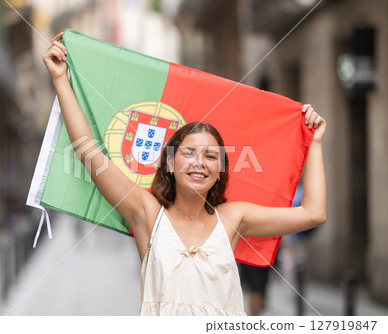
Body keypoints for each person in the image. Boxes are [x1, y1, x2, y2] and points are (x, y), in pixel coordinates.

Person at [42, 32, 327, 316]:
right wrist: (60, 80)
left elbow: (313, 213)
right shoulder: (147, 215)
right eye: (189, 153)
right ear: (170, 162)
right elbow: (89, 153)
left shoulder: (234, 218)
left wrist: (313, 144)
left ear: (220, 172)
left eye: (211, 156)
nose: (199, 162)